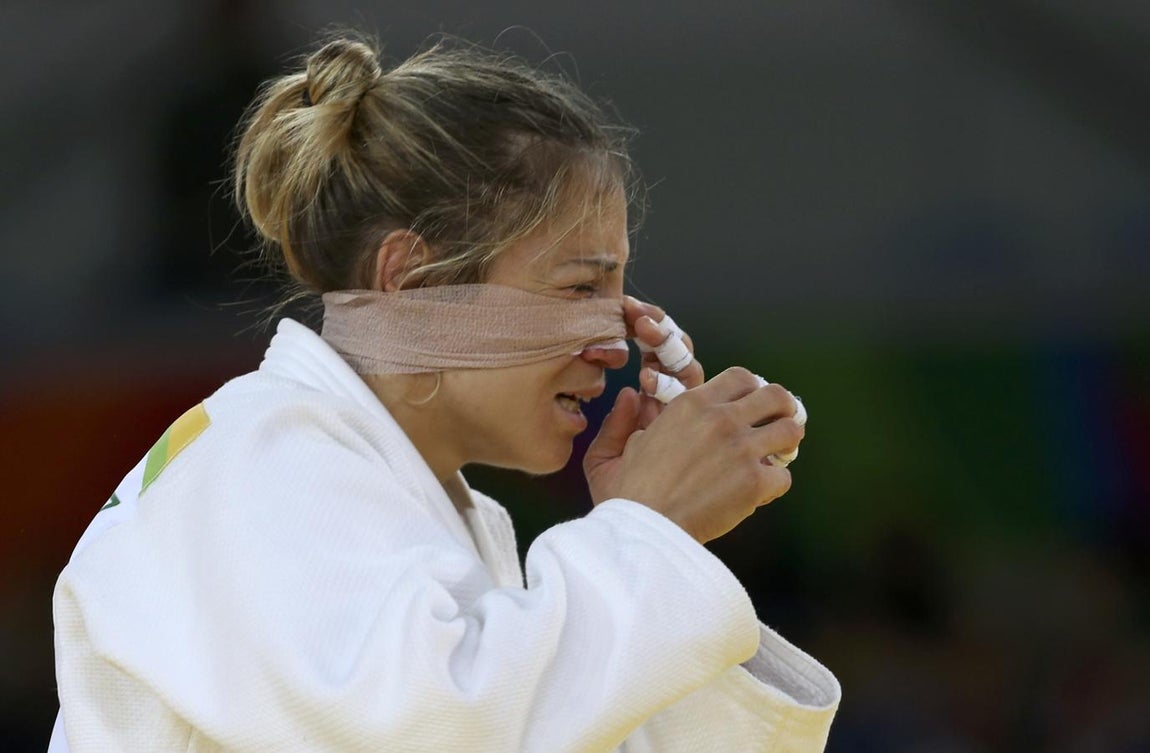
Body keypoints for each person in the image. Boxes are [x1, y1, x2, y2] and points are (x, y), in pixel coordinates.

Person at [49, 34, 840, 752]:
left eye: (618, 290)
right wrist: (644, 536)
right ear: (410, 277)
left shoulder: (420, 506)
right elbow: (437, 733)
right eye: (579, 287)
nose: (618, 337)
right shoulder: (261, 461)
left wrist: (656, 536)